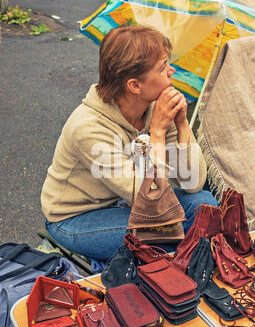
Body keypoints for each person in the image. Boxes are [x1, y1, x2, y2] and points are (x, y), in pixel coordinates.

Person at [41, 25, 218, 272]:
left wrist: (182, 124)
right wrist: (156, 133)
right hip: (76, 218)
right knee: (164, 241)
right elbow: (150, 199)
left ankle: (186, 267)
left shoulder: (152, 107)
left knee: (205, 207)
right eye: (162, 67)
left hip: (128, 203)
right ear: (135, 86)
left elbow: (193, 183)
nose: (172, 71)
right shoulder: (88, 127)